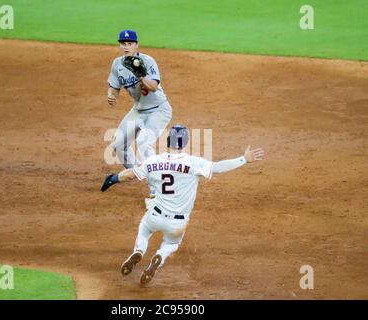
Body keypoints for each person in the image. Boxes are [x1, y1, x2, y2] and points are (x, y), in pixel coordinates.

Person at [101, 124, 265, 285]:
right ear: (185, 143)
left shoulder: (152, 161)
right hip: (177, 223)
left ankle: (138, 251)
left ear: (168, 141)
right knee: (172, 243)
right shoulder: (193, 163)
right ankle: (160, 256)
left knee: (144, 229)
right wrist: (244, 159)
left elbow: (130, 175)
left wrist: (113, 179)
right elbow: (218, 168)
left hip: (155, 214)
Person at [107, 29, 172, 207]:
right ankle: (138, 172)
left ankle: (155, 188)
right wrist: (111, 95)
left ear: (137, 45)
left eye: (129, 43)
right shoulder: (117, 64)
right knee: (118, 145)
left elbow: (152, 87)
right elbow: (114, 86)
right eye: (123, 44)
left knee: (144, 143)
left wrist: (140, 75)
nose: (126, 47)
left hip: (159, 110)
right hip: (138, 110)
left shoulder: (148, 61)